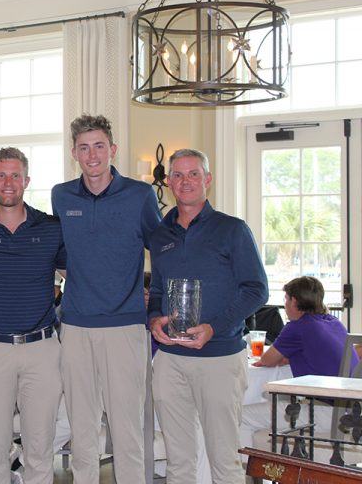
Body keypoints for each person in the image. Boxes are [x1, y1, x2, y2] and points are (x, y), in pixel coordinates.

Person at [51, 114, 160, 483]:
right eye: (84, 147)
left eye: (99, 146)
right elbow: (61, 253)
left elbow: (162, 252)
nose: (92, 154)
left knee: (127, 430)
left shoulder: (140, 195)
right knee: (81, 429)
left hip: (126, 326)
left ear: (112, 150)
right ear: (74, 153)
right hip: (76, 325)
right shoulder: (61, 196)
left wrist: (156, 301)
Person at [148, 148, 268, 484]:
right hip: (170, 360)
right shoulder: (160, 236)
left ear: (208, 180)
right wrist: (155, 318)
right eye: (178, 175)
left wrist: (214, 328)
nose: (185, 182)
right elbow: (157, 290)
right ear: (169, 181)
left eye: (194, 174)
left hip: (220, 358)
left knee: (223, 459)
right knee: (178, 460)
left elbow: (256, 289)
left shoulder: (232, 229)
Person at [0, 148, 66, 484]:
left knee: (39, 449)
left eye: (15, 175)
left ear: (27, 181)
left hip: (42, 349)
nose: (8, 183)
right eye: (1, 176)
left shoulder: (51, 227)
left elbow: (75, 276)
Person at [239, 276, 358, 449]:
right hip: (354, 409)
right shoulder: (334, 322)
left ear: (294, 301)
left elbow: (267, 359)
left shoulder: (298, 327)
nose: (285, 304)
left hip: (334, 414)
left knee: (242, 416)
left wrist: (284, 357)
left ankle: (247, 472)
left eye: (286, 299)